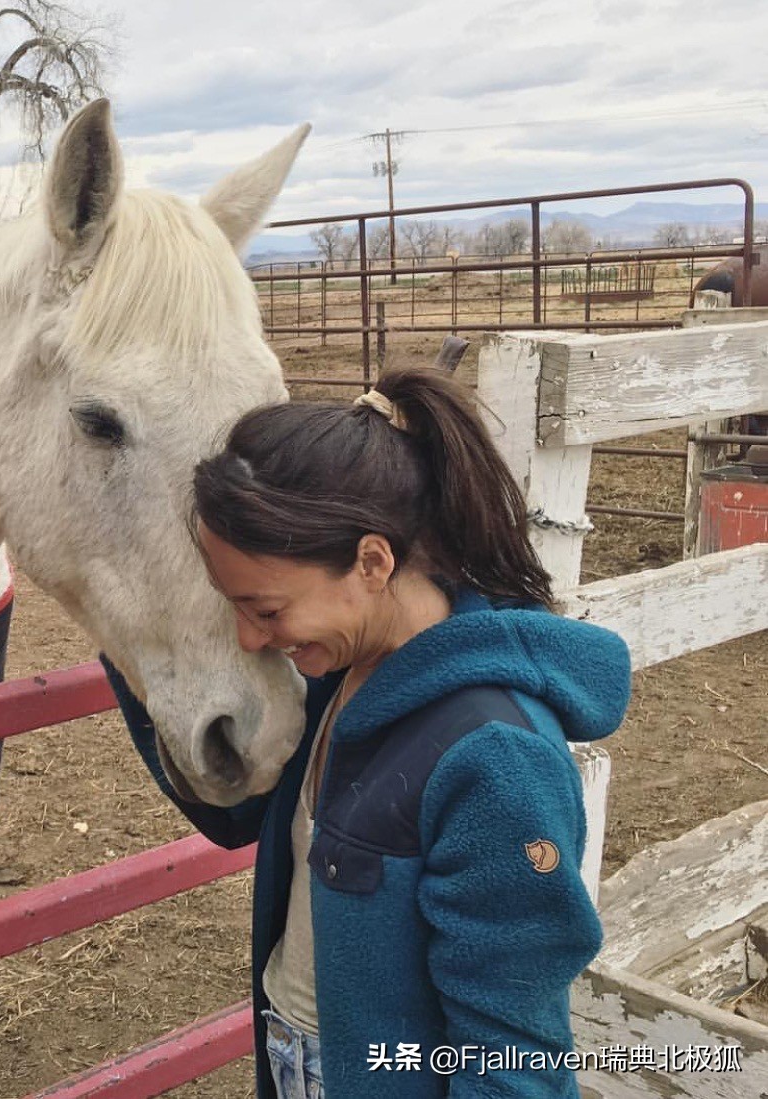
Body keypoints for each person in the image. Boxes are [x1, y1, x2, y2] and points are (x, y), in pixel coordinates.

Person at [101, 367, 631, 1098]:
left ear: (372, 561)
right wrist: (133, 652)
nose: (248, 638)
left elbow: (514, 1053)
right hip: (294, 1056)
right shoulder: (336, 679)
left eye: (264, 607)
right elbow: (235, 813)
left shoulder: (495, 760)